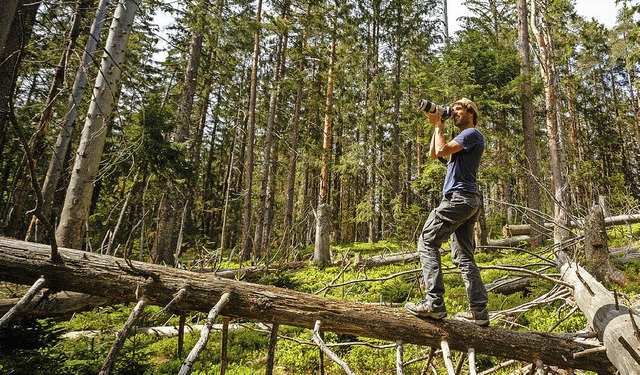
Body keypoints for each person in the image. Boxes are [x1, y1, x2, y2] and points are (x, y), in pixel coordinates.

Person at [405, 98, 489, 326]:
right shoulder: (462, 141)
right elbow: (435, 153)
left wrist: (439, 125)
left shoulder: (472, 134)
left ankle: (434, 303)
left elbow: (442, 148)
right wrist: (436, 123)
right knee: (463, 257)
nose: (454, 113)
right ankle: (479, 311)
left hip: (459, 199)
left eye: (458, 109)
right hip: (468, 201)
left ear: (471, 112)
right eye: (452, 110)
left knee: (427, 241)